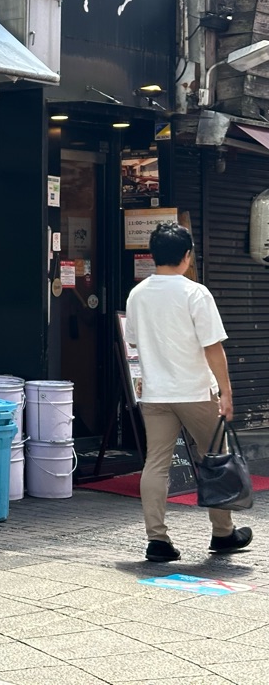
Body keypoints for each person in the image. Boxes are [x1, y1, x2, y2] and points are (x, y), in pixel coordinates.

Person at [125, 222, 253, 562]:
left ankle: (157, 541)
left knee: (156, 464)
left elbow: (134, 341)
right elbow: (213, 349)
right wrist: (226, 392)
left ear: (153, 256)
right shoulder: (196, 293)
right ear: (187, 255)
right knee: (214, 459)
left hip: (154, 393)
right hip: (195, 391)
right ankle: (223, 534)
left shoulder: (137, 294)